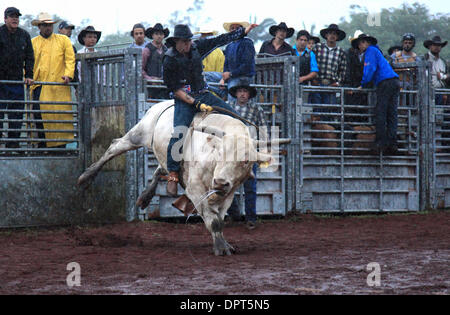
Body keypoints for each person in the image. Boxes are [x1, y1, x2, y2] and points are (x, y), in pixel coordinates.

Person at [162, 23, 258, 196]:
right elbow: (175, 89)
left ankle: (246, 163)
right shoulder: (169, 59)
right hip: (183, 98)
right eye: (184, 42)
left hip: (204, 93)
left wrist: (242, 32)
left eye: (188, 41)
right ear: (176, 42)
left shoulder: (197, 47)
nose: (187, 45)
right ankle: (173, 174)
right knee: (179, 132)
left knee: (237, 119)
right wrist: (196, 104)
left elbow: (220, 40)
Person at [226, 79, 268, 229]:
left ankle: (251, 218)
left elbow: (263, 129)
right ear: (236, 94)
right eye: (240, 91)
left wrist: (262, 150)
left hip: (249, 150)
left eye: (245, 91)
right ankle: (234, 213)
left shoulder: (257, 109)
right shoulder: (228, 107)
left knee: (250, 186)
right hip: (231, 151)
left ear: (249, 94)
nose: (243, 94)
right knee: (228, 184)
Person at [30, 12, 75, 149]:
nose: (47, 27)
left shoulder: (64, 40)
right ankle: (42, 147)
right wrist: (28, 77)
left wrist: (68, 75)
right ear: (39, 27)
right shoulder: (33, 42)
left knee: (59, 119)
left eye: (49, 25)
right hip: (39, 86)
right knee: (39, 118)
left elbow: (70, 59)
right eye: (44, 25)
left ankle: (59, 150)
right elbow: (27, 62)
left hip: (58, 86)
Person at [356, 34, 400, 155]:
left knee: (380, 111)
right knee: (392, 113)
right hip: (394, 81)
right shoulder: (378, 51)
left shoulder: (370, 51)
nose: (359, 46)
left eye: (360, 43)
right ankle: (392, 143)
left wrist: (363, 84)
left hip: (384, 82)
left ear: (365, 43)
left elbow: (370, 69)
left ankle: (380, 142)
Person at [0, 7, 34, 149]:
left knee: (17, 114)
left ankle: (13, 145)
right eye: (11, 16)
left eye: (17, 17)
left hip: (16, 81)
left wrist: (29, 75)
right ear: (5, 18)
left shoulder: (24, 35)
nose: (15, 19)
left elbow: (29, 56)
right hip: (1, 81)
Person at [312, 24, 347, 120]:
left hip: (332, 84)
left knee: (329, 111)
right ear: (326, 35)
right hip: (317, 83)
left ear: (337, 37)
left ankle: (328, 130)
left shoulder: (341, 52)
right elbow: (311, 64)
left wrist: (337, 83)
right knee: (317, 110)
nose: (332, 36)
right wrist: (313, 79)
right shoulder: (317, 47)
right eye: (330, 33)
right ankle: (317, 131)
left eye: (335, 34)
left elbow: (343, 70)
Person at [220, 21, 256, 101]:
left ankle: (231, 105)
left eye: (237, 28)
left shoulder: (247, 43)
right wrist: (224, 77)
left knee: (233, 87)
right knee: (208, 76)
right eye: (232, 28)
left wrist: (231, 74)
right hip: (231, 76)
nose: (234, 30)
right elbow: (226, 64)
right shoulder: (229, 46)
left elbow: (246, 65)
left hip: (244, 77)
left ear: (241, 30)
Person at [197, 29, 227, 99]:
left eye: (207, 35)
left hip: (211, 90)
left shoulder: (218, 52)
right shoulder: (218, 52)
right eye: (204, 35)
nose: (206, 38)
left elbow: (221, 72)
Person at [143, 23, 170, 100]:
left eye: (161, 34)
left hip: (164, 85)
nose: (159, 36)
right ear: (152, 35)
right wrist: (150, 79)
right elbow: (141, 69)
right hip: (150, 87)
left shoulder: (167, 51)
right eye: (156, 34)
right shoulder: (147, 50)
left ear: (164, 36)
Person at [423, 36, 448, 105]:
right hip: (427, 91)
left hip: (440, 91)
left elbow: (447, 77)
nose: (437, 47)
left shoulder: (443, 62)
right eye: (434, 45)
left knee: (439, 112)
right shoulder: (424, 59)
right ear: (430, 46)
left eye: (439, 45)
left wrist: (444, 76)